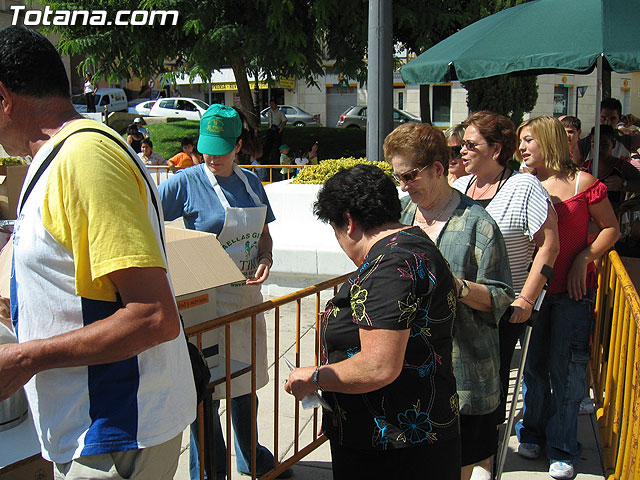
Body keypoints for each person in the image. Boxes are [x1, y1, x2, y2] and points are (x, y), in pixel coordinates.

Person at [0, 26, 195, 479]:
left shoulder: (83, 159)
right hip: (89, 429)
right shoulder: (54, 159)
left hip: (114, 433)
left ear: (5, 97)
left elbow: (152, 315)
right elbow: (83, 286)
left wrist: (26, 358)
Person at [286, 164, 461, 480]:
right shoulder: (413, 242)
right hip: (415, 436)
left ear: (349, 222)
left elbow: (377, 367)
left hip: (392, 448)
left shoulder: (389, 266)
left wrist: (313, 377)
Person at [158, 105, 284, 480]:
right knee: (205, 387)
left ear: (239, 145)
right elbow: (152, 230)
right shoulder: (182, 183)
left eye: (221, 148)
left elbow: (263, 232)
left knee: (245, 385)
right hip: (202, 302)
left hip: (244, 297)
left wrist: (266, 255)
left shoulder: (251, 182)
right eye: (205, 148)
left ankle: (253, 458)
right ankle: (209, 471)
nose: (211, 157)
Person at [387, 123, 514, 480]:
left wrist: (455, 287)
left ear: (438, 169)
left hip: (465, 375)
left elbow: (502, 297)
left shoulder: (478, 223)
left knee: (459, 467)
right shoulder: (401, 217)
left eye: (410, 176)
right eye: (399, 177)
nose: (404, 185)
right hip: (411, 375)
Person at [514, 116, 620, 479]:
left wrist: (584, 258)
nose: (522, 147)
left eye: (529, 140)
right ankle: (532, 432)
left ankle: (563, 447)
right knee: (534, 368)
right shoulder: (520, 184)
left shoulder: (583, 183)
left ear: (549, 141)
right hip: (533, 293)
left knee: (569, 372)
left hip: (572, 294)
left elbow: (611, 228)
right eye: (521, 141)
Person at [453, 111, 560, 425]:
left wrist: (526, 300)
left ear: (496, 150)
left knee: (488, 387)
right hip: (456, 305)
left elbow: (549, 245)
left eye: (471, 145)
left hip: (499, 309)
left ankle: (483, 453)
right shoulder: (458, 186)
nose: (462, 151)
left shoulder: (524, 187)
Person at [581, 125, 640, 211]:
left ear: (613, 144)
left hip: (615, 218)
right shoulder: (584, 168)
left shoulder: (622, 167)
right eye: (594, 143)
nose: (599, 148)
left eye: (604, 144)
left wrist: (624, 184)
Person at [262, 99, 287, 165]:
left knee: (277, 146)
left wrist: (281, 129)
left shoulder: (280, 112)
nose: (271, 105)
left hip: (277, 130)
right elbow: (269, 122)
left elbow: (284, 121)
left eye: (272, 104)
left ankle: (276, 160)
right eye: (270, 104)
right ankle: (265, 160)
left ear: (276, 104)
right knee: (267, 145)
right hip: (271, 130)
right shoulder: (269, 112)